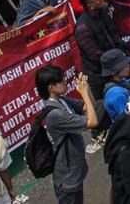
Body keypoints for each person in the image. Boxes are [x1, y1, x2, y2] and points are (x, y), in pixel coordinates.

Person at [36, 65, 98, 204]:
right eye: (61, 81)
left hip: (75, 170)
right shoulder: (55, 114)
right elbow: (92, 121)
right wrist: (83, 93)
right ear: (51, 87)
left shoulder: (61, 100)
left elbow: (88, 107)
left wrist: (86, 89)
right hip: (67, 176)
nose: (65, 82)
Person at [75, 0, 126, 145]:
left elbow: (113, 33)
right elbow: (95, 55)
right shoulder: (82, 28)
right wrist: (115, 61)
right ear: (90, 5)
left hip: (112, 66)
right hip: (97, 73)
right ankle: (99, 133)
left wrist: (120, 53)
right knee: (100, 105)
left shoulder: (103, 12)